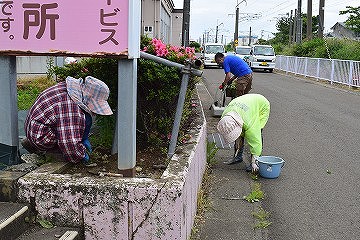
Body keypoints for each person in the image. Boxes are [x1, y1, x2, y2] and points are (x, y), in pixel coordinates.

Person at [21, 76, 113, 164]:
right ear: (89, 98)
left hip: (35, 127)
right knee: (68, 146)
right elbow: (69, 143)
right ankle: (52, 152)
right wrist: (81, 155)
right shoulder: (70, 105)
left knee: (79, 123)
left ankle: (33, 144)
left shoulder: (70, 89)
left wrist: (83, 138)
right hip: (40, 136)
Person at [216, 94, 270, 173]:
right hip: (246, 107)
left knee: (257, 133)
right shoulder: (225, 117)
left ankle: (256, 161)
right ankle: (238, 157)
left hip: (261, 105)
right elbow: (234, 131)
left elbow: (255, 141)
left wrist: (254, 162)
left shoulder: (249, 122)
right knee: (239, 135)